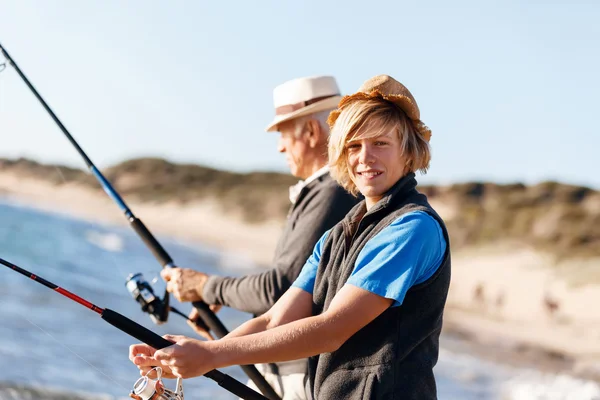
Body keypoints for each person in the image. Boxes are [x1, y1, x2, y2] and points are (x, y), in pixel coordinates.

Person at [130, 75, 451, 400]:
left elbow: (331, 330)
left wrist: (212, 356)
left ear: (408, 153)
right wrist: (197, 354)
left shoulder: (411, 228)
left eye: (380, 143)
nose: (365, 157)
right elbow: (273, 320)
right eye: (353, 145)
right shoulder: (336, 236)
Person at [159, 75, 360, 399]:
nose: (280, 145)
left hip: (298, 377)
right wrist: (219, 305)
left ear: (310, 132)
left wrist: (207, 286)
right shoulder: (323, 192)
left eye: (283, 133)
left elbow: (279, 289)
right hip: (286, 371)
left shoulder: (332, 192)